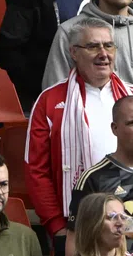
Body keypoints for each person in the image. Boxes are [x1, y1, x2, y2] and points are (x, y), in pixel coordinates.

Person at [31, 18, 128, 242]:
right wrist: (57, 226)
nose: (103, 53)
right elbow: (37, 170)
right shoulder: (49, 100)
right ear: (73, 52)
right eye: (93, 46)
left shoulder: (130, 98)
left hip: (128, 223)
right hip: (75, 226)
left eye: (109, 45)